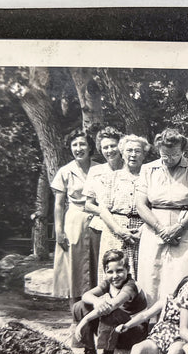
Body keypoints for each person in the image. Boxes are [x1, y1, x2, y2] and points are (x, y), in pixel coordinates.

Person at [136, 128, 188, 307]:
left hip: (186, 227)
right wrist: (160, 229)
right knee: (152, 277)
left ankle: (180, 324)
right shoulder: (148, 169)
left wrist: (178, 227)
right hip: (154, 228)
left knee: (183, 275)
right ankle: (150, 325)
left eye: (174, 154)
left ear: (182, 150)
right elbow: (141, 205)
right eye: (164, 155)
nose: (169, 159)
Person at [62, 249, 148, 354]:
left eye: (119, 270)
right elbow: (86, 295)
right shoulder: (109, 283)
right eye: (110, 272)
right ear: (105, 272)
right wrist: (96, 301)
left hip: (133, 332)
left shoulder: (130, 286)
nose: (115, 276)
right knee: (80, 306)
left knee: (110, 312)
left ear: (127, 269)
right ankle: (90, 353)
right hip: (118, 329)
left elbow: (113, 305)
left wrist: (84, 321)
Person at [85, 133, 150, 281]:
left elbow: (154, 208)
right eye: (129, 150)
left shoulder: (150, 178)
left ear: (144, 154)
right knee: (112, 276)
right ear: (122, 152)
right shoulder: (110, 178)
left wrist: (142, 230)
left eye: (137, 151)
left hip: (140, 234)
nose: (133, 155)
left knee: (139, 278)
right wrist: (119, 230)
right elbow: (103, 209)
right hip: (113, 233)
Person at [51, 128, 100, 305]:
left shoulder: (99, 169)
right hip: (74, 221)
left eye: (82, 144)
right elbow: (58, 204)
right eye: (74, 145)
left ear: (89, 147)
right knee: (74, 265)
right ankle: (75, 314)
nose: (78, 148)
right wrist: (59, 231)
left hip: (96, 219)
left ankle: (95, 313)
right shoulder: (65, 171)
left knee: (96, 264)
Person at [115, 277, 188, 354]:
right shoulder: (168, 300)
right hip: (160, 337)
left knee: (178, 348)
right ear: (180, 289)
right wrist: (127, 325)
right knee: (138, 347)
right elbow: (145, 315)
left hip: (179, 339)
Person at [83, 126, 125, 283]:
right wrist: (104, 213)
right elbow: (88, 205)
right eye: (105, 147)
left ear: (120, 146)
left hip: (125, 226)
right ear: (100, 150)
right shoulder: (96, 171)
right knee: (101, 270)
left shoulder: (131, 168)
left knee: (123, 268)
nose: (109, 150)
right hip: (100, 228)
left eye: (113, 146)